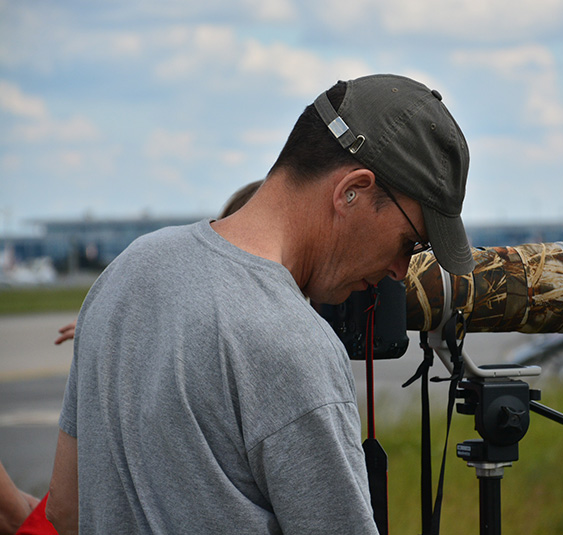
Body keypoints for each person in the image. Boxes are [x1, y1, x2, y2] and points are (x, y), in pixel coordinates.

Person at [46, 73, 474, 534]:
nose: (398, 270)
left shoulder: (126, 271)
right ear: (353, 190)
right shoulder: (293, 344)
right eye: (411, 242)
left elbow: (65, 509)